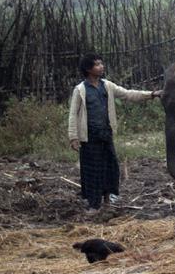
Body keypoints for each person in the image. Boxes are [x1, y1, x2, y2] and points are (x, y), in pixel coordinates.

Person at [68, 53, 161, 212]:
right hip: (89, 137)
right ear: (88, 69)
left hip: (106, 134)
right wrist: (73, 137)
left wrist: (151, 95)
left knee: (109, 168)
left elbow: (127, 94)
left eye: (101, 64)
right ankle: (93, 205)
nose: (101, 66)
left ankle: (107, 202)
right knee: (92, 171)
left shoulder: (107, 86)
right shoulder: (81, 90)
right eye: (97, 64)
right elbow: (72, 114)